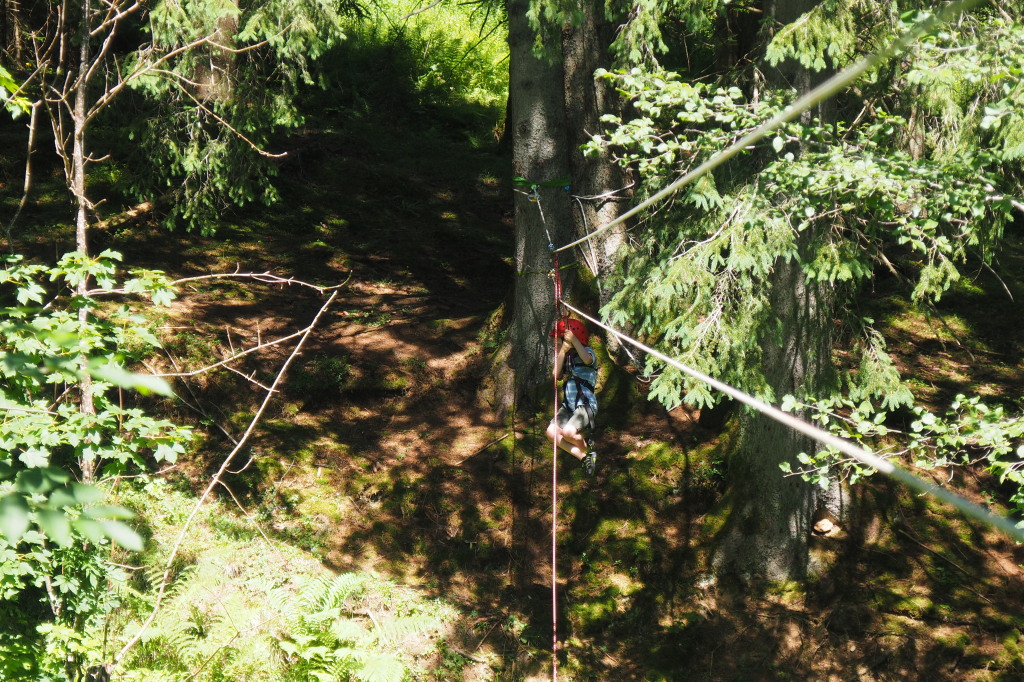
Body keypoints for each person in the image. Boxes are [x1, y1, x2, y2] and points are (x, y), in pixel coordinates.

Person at [545, 318, 598, 475]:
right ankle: (583, 456)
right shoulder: (565, 357)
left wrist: (573, 340)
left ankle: (588, 450)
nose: (555, 344)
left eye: (558, 340)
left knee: (568, 432)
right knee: (551, 432)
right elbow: (555, 375)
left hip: (585, 404)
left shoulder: (588, 352)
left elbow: (587, 359)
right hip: (568, 406)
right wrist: (563, 350)